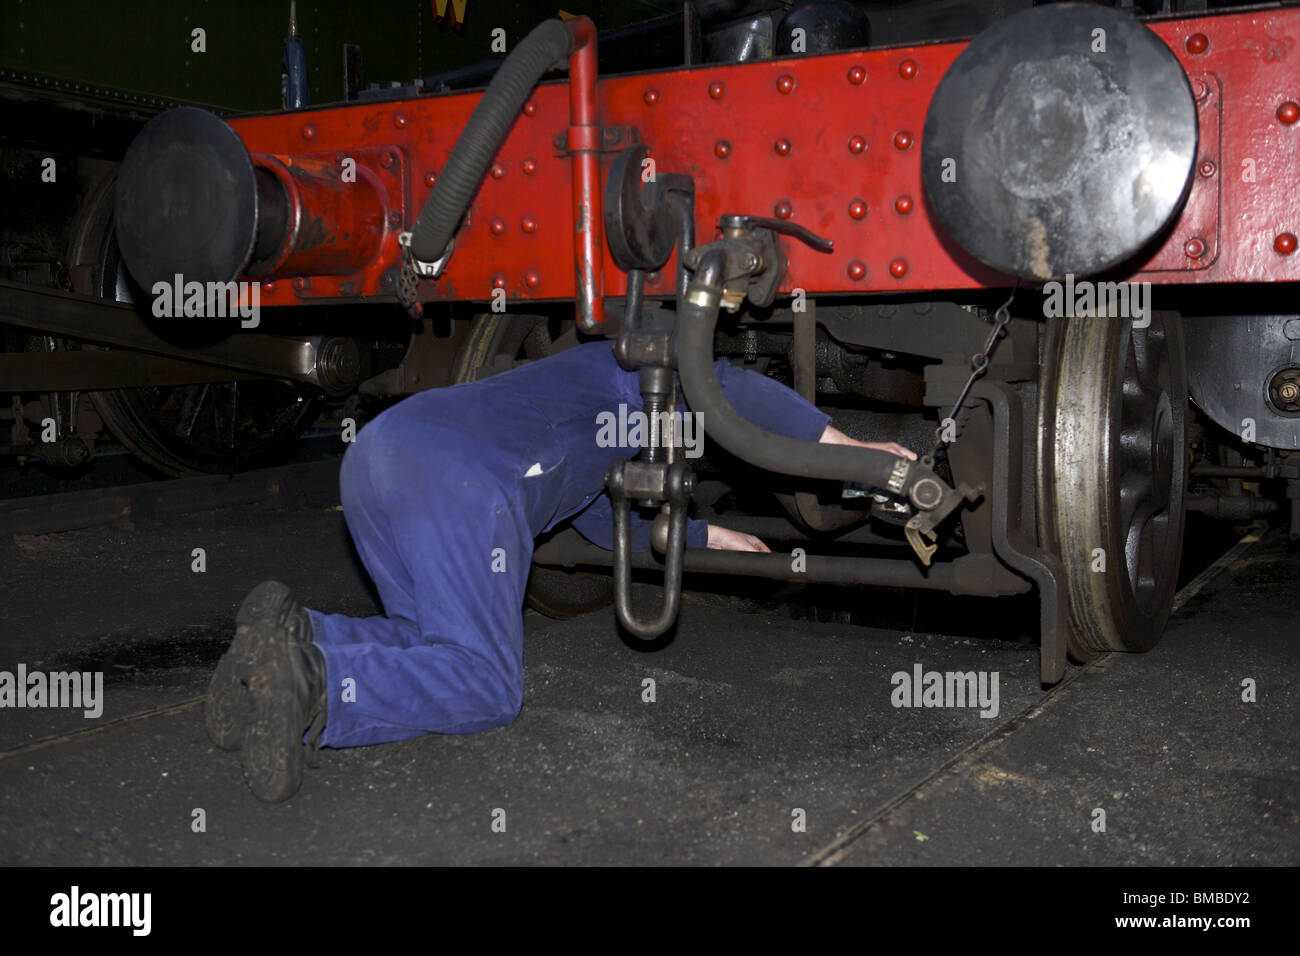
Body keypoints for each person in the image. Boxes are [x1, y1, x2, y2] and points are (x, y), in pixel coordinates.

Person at [206, 339, 915, 801]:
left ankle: (285, 654)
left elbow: (600, 525)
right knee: (483, 684)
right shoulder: (624, 371)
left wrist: (703, 533)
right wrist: (844, 448)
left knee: (425, 639)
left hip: (379, 457)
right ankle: (320, 687)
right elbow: (724, 389)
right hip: (460, 479)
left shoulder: (578, 418)